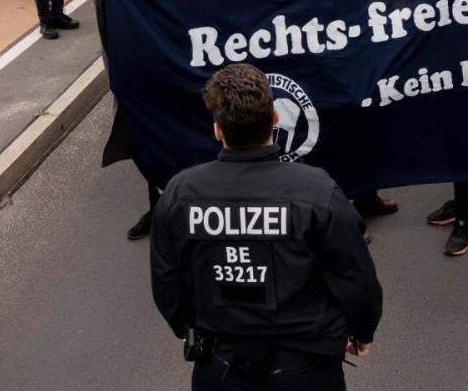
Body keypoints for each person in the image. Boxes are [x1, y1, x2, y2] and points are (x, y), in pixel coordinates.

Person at [151, 64, 381, 390]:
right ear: (275, 118)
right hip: (307, 367)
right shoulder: (317, 191)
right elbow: (355, 278)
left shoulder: (179, 194)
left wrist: (196, 328)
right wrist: (361, 330)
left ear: (218, 129)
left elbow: (167, 285)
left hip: (220, 365)